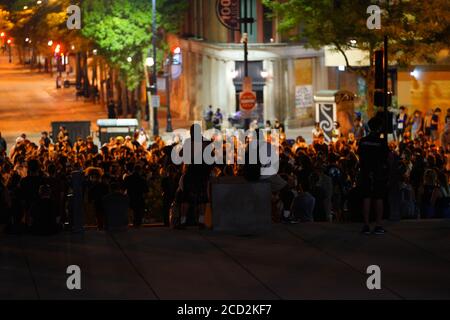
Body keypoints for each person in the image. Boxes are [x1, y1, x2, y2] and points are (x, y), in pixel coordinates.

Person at [358, 117, 389, 235]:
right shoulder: (381, 142)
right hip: (378, 173)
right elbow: (385, 158)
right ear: (379, 128)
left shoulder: (363, 141)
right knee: (378, 198)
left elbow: (360, 156)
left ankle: (366, 225)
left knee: (366, 197)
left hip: (365, 172)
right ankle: (378, 225)